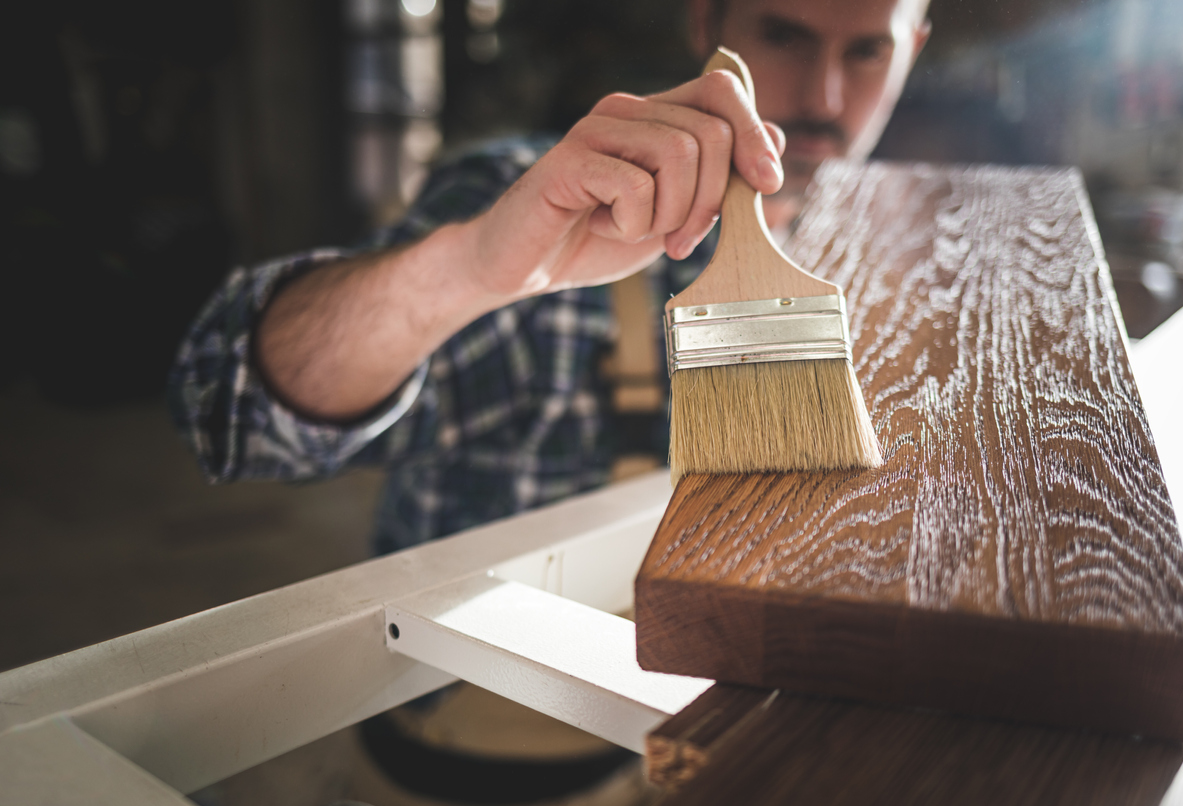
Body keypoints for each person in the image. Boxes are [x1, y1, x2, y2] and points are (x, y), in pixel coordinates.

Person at [170, 0, 931, 555]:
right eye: (784, 35)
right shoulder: (535, 198)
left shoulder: (917, 257)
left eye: (866, 51)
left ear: (914, 49)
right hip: (507, 749)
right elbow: (226, 408)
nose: (825, 97)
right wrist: (466, 270)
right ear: (706, 26)